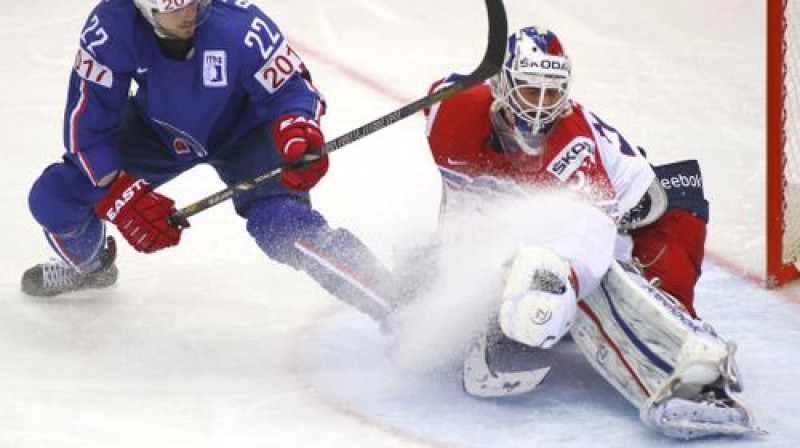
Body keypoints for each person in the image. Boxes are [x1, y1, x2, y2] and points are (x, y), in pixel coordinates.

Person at [419, 26, 761, 439]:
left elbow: (590, 237)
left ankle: (701, 374)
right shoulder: (451, 112)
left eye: (553, 92)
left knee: (592, 292)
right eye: (530, 91)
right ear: (503, 85)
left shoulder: (572, 149)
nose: (542, 108)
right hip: (616, 213)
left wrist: (562, 280)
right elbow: (467, 207)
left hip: (658, 219)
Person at [21, 0, 394, 322]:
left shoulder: (239, 25)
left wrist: (298, 132)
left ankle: (397, 306)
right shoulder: (110, 27)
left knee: (282, 225)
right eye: (175, 7)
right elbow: (85, 127)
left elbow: (293, 91)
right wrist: (118, 193)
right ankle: (90, 267)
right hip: (158, 133)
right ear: (146, 11)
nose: (190, 12)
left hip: (246, 134)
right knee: (55, 197)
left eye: (193, 1)